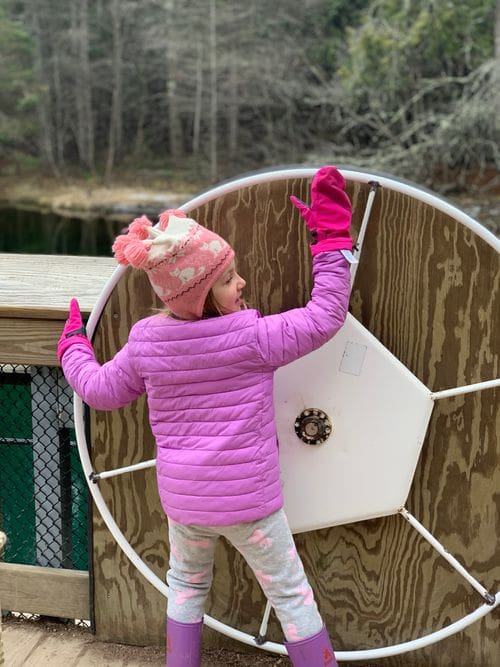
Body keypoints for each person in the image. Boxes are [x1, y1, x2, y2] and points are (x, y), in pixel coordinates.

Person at [58, 166, 354, 667]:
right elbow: (327, 314)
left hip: (186, 507)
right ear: (198, 295)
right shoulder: (252, 338)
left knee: (186, 588)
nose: (242, 283)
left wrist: (72, 347)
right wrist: (330, 239)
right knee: (290, 594)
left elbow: (101, 390)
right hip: (252, 507)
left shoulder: (147, 341)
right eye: (227, 279)